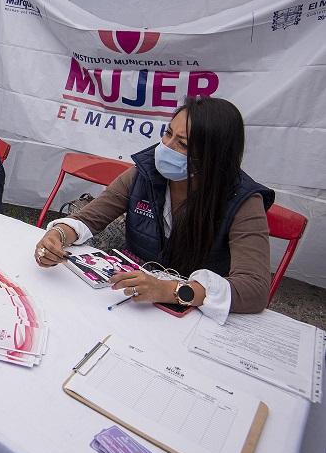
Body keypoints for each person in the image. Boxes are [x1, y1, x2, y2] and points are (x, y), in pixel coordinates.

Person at [34, 96, 274, 322]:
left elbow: (254, 289)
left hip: (189, 319)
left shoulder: (242, 201)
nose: (166, 148)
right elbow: (92, 216)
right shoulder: (145, 172)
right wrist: (59, 235)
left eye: (182, 144)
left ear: (214, 157)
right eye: (167, 133)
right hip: (133, 305)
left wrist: (171, 290)